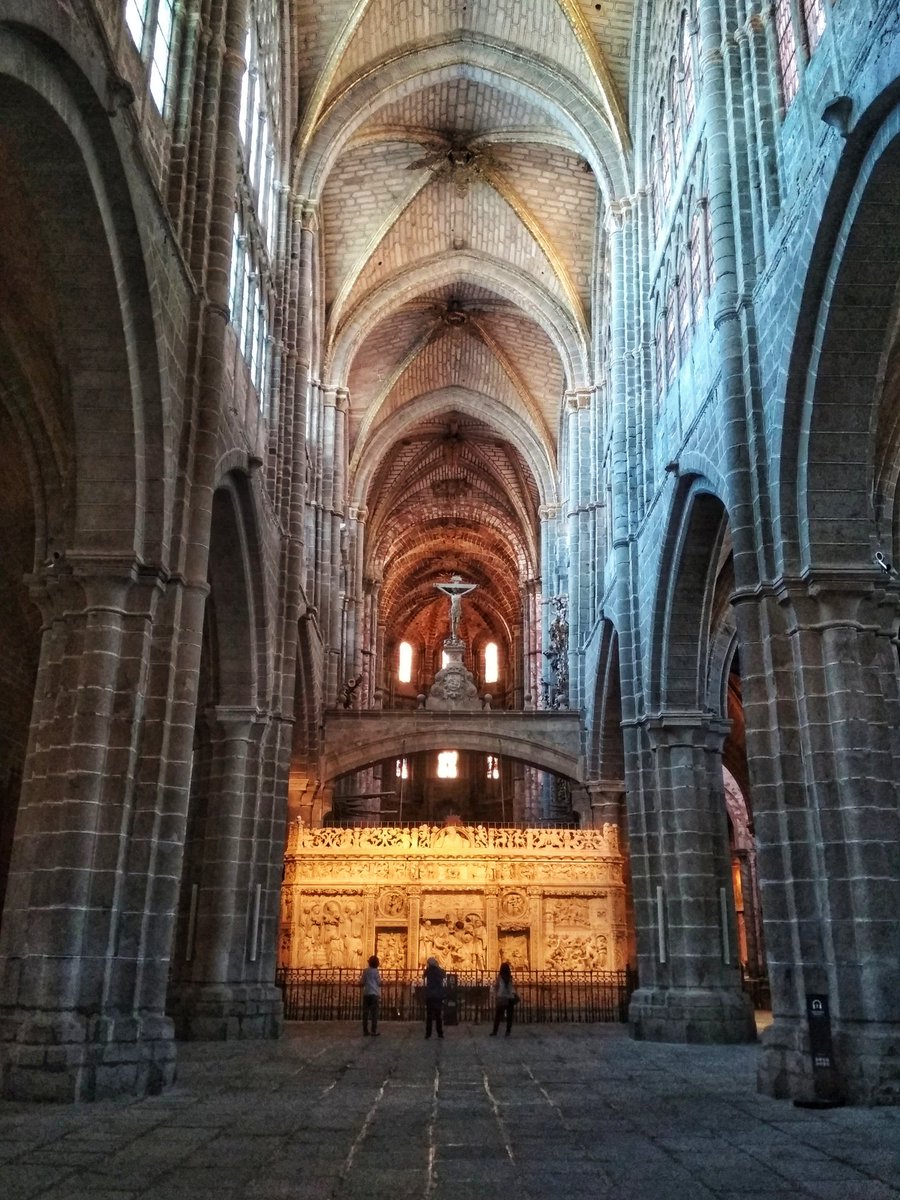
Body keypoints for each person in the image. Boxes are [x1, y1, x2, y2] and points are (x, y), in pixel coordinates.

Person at [491, 961, 517, 1036]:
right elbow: (511, 987)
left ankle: (495, 1031)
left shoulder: (499, 977)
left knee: (498, 1016)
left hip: (501, 997)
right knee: (509, 1016)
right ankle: (508, 1031)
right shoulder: (510, 977)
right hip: (509, 998)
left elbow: (496, 986)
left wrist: (495, 993)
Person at [422, 956, 446, 1039]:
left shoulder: (428, 971)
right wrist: (438, 966)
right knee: (438, 1015)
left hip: (430, 995)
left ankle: (428, 1034)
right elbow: (444, 975)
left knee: (429, 1016)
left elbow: (423, 976)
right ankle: (440, 1033)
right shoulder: (439, 970)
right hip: (438, 995)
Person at [359, 954, 381, 1035]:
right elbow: (379, 982)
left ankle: (365, 1030)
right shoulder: (376, 972)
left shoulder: (365, 971)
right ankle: (373, 1031)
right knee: (374, 1014)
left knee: (365, 1013)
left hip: (366, 993)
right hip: (374, 994)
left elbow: (362, 981)